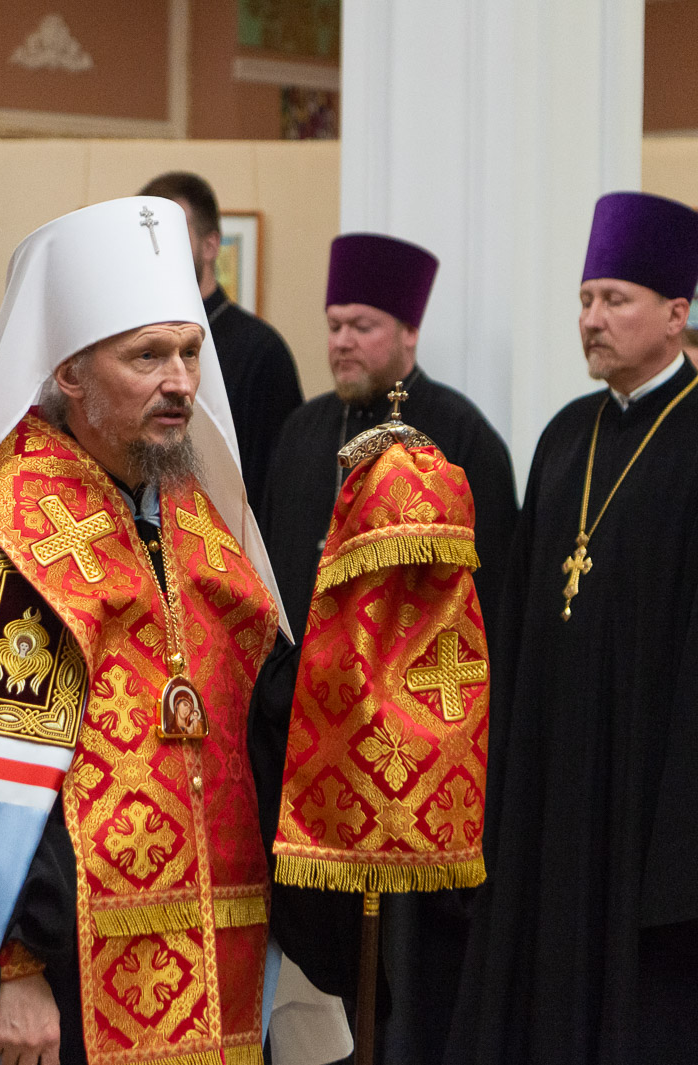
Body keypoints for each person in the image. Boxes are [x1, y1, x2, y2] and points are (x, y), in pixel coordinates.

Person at [0, 197, 286, 1065]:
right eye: (147, 356)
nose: (181, 382)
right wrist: (12, 969)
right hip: (78, 965)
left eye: (190, 352)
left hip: (222, 943)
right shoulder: (19, 539)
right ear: (72, 375)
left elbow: (262, 714)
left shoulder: (197, 517)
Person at [448, 192, 698, 1065]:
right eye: (584, 299)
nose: (592, 319)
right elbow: (524, 615)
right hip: (555, 785)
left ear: (677, 315)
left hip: (658, 798)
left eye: (614, 299)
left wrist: (692, 830)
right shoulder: (565, 436)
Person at [251, 231, 517, 1065]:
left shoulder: (458, 437)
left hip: (413, 753)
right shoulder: (303, 431)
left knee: (408, 971)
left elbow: (487, 607)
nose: (341, 341)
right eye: (333, 324)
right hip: (307, 741)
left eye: (361, 325)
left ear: (408, 332)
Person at [139, 171, 303, 505]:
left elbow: (274, 486)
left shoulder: (261, 351)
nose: (155, 248)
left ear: (211, 245)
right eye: (146, 234)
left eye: (169, 233)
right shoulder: (132, 342)